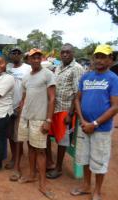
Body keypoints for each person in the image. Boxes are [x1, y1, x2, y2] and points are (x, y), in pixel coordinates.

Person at [71, 45, 118, 200]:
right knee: (85, 158)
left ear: (110, 60)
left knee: (99, 161)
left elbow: (115, 107)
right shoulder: (86, 77)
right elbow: (77, 100)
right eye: (97, 56)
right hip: (84, 126)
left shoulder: (114, 79)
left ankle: (97, 191)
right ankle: (86, 186)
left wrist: (94, 123)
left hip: (101, 129)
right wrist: (83, 120)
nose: (99, 60)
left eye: (103, 56)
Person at [17, 48, 56, 199]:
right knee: (30, 147)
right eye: (33, 57)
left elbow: (52, 98)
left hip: (40, 118)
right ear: (28, 59)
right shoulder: (26, 78)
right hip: (26, 118)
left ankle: (43, 184)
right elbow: (24, 99)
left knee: (40, 151)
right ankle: (32, 175)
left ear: (42, 59)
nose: (36, 60)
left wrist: (48, 120)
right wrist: (21, 116)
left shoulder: (48, 74)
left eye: (38, 57)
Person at [46, 43, 84, 179]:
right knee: (47, 135)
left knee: (62, 140)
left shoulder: (77, 68)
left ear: (73, 53)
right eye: (62, 52)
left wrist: (70, 113)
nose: (65, 54)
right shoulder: (58, 68)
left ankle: (58, 168)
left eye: (67, 52)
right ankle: (49, 162)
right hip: (54, 108)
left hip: (65, 109)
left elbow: (77, 93)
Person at [6, 46, 32, 182]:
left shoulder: (27, 68)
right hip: (8, 107)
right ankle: (14, 157)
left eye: (18, 52)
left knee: (19, 136)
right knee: (10, 135)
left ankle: (17, 164)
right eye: (13, 52)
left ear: (22, 55)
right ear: (10, 55)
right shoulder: (8, 68)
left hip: (22, 107)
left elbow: (30, 86)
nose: (15, 54)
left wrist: (23, 105)